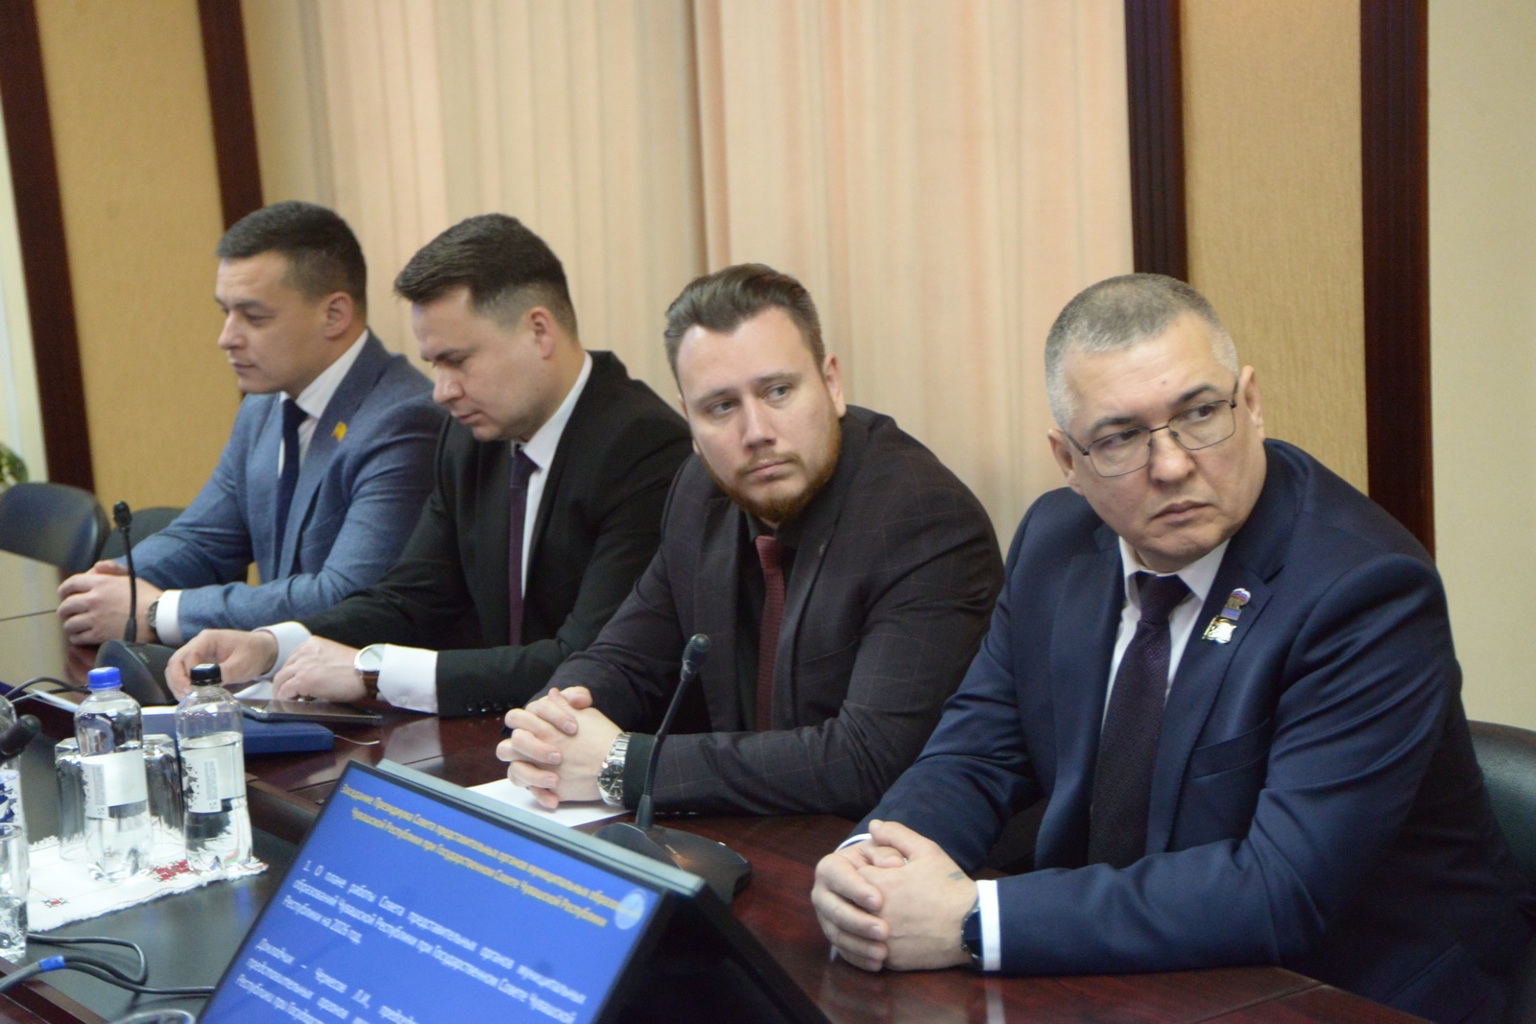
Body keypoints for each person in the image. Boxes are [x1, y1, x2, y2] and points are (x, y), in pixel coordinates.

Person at [810, 274, 1535, 1024]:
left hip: (1350, 986)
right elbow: (975, 753)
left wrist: (973, 921)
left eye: (1199, 414)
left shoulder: (1365, 590)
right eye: (1120, 438)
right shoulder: (1056, 545)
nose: (1172, 465)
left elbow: (1280, 890)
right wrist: (872, 871)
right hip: (1139, 973)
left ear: (1250, 402)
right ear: (1068, 460)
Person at [502, 263, 1003, 817]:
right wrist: (551, 727)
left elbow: (867, 760)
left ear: (832, 383)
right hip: (749, 832)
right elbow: (625, 658)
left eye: (778, 391)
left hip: (867, 847)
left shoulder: (923, 519)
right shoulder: (700, 493)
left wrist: (626, 764)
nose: (757, 432)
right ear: (690, 425)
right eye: (721, 406)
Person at [164, 214, 692, 716]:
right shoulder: (470, 438)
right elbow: (410, 599)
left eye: (457, 361)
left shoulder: (643, 448)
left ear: (539, 331)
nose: (441, 391)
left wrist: (374, 672)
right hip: (496, 738)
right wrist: (271, 644)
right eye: (433, 364)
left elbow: (583, 660)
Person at [56, 201, 441, 647]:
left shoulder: (403, 421)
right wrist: (115, 582)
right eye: (226, 312)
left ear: (334, 315)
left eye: (254, 317)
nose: (227, 338)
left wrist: (159, 611)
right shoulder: (265, 405)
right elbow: (204, 538)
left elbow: (347, 595)